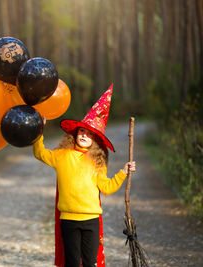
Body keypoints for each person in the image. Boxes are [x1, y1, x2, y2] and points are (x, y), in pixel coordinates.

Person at [33, 85, 136, 267]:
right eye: (82, 131)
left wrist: (123, 172)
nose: (84, 135)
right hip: (69, 219)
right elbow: (40, 153)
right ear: (75, 133)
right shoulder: (62, 155)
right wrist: (38, 131)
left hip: (91, 220)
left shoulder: (97, 162)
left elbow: (106, 188)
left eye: (90, 134)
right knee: (72, 262)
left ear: (95, 140)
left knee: (90, 262)